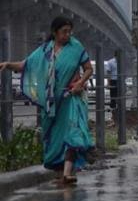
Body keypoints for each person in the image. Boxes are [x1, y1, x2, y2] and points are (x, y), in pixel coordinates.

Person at [0, 16, 95, 184]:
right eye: (64, 32)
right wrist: (8, 64)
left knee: (72, 134)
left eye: (69, 32)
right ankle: (61, 175)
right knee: (55, 137)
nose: (67, 35)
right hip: (52, 102)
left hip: (71, 97)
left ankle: (67, 173)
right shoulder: (45, 51)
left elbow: (88, 69)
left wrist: (81, 82)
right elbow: (25, 65)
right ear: (54, 32)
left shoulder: (76, 47)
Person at [105, 57, 118, 122]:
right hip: (113, 81)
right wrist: (108, 83)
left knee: (120, 99)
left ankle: (119, 115)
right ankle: (113, 116)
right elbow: (108, 73)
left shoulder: (122, 61)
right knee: (113, 98)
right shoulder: (110, 62)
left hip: (120, 80)